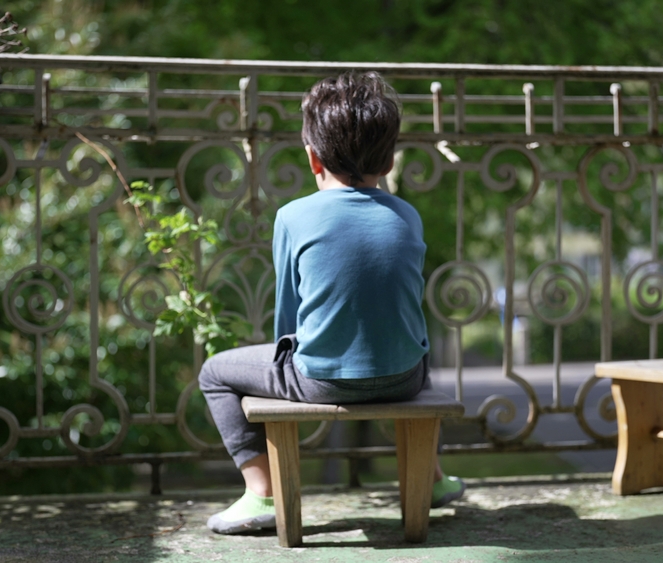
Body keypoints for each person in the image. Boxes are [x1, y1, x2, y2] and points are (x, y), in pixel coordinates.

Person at [198, 71, 464, 535]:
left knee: (214, 373)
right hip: (405, 379)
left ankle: (260, 492)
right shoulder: (408, 216)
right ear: (388, 159)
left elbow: (289, 317)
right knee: (412, 340)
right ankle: (434, 481)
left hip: (320, 380)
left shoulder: (293, 216)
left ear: (313, 158)